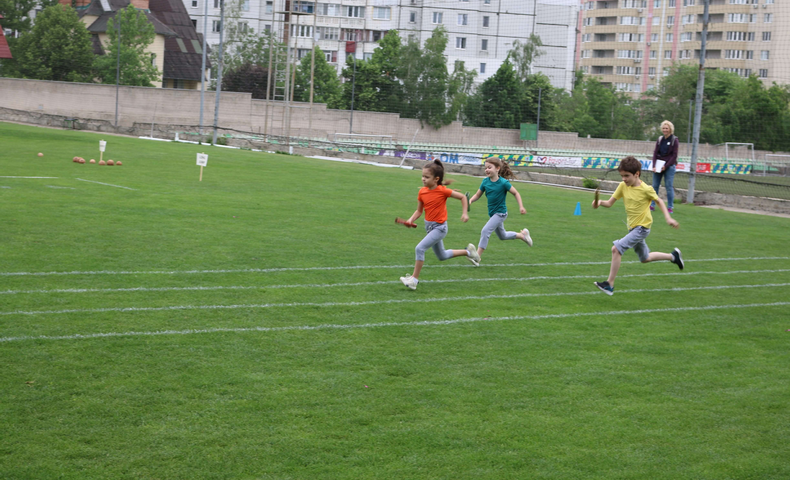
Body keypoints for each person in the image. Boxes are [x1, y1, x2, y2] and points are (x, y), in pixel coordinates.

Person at [592, 156, 684, 296]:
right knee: (645, 258)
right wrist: (599, 203)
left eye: (627, 176)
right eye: (622, 176)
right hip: (632, 228)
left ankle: (609, 284)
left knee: (616, 249)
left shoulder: (646, 189)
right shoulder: (623, 186)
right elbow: (610, 203)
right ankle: (673, 256)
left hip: (642, 228)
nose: (624, 179)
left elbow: (659, 201)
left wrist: (668, 217)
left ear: (637, 174)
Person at [399, 160, 480, 290]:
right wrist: (411, 219)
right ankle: (469, 252)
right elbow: (419, 210)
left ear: (436, 179)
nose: (423, 179)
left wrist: (465, 213)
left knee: (419, 249)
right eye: (423, 176)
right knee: (442, 256)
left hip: (440, 228)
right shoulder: (422, 192)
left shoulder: (443, 191)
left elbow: (463, 198)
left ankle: (414, 279)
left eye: (426, 177)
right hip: (429, 228)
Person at [467, 157, 532, 265]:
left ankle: (477, 257)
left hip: (500, 213)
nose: (486, 170)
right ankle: (523, 235)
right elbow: (478, 194)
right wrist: (471, 200)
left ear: (497, 168)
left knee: (485, 231)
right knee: (503, 236)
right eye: (485, 168)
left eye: (489, 167)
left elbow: (516, 193)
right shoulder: (485, 182)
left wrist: (521, 206)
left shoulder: (503, 183)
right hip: (493, 214)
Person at [651, 120, 680, 214]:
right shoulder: (660, 139)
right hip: (659, 165)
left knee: (668, 187)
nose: (665, 130)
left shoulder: (674, 140)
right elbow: (655, 153)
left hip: (669, 166)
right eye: (663, 128)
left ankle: (670, 207)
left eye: (666, 128)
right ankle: (652, 205)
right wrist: (654, 165)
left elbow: (674, 155)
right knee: (654, 186)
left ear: (670, 129)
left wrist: (666, 166)